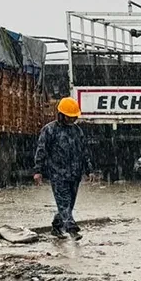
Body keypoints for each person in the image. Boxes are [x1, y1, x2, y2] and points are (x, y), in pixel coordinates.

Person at [34, 97, 93, 239]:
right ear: (61, 114)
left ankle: (56, 226)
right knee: (63, 203)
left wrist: (89, 170)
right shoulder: (49, 130)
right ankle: (72, 229)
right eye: (70, 116)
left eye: (74, 117)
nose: (73, 119)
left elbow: (84, 151)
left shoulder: (77, 131)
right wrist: (38, 171)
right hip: (57, 174)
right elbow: (41, 150)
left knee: (68, 205)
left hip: (75, 174)